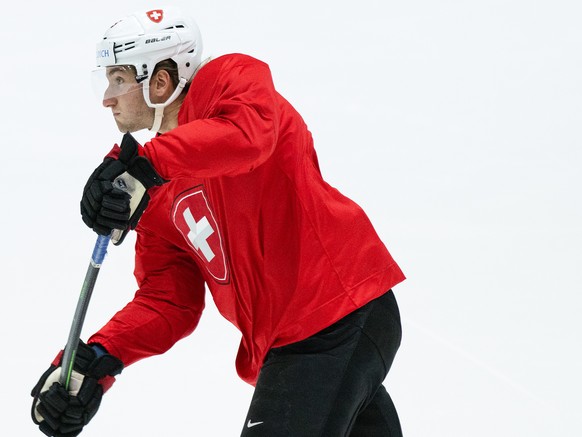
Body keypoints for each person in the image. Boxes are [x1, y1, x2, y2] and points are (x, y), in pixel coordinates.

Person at [31, 7, 406, 437]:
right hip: (295, 342)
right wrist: (98, 357)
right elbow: (169, 300)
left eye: (118, 79)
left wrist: (145, 164)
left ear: (160, 81)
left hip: (336, 313)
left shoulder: (231, 83)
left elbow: (251, 135)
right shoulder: (153, 190)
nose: (107, 97)